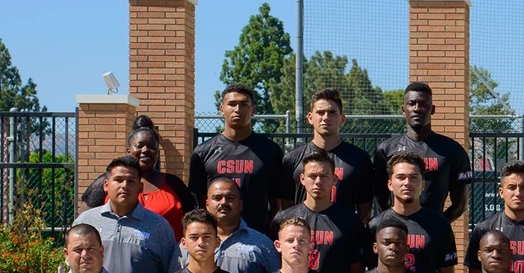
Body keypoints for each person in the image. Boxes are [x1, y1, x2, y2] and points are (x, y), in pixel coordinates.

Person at [79, 116, 197, 239]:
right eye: (139, 146)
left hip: (166, 255)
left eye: (151, 146)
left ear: (157, 151)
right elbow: (84, 219)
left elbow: (193, 220)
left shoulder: (174, 184)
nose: (145, 150)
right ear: (128, 150)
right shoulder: (107, 182)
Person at [189, 83, 284, 235]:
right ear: (222, 109)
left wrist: (266, 234)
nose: (237, 110)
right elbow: (200, 203)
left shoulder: (270, 151)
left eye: (244, 104)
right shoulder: (203, 152)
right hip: (216, 239)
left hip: (257, 236)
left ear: (253, 110)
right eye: (232, 104)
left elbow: (277, 205)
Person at [372, 82, 473, 221]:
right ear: (403, 109)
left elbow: (460, 204)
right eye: (412, 103)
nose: (417, 109)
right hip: (397, 233)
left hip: (434, 235)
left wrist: (437, 226)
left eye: (423, 104)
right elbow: (380, 197)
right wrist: (393, 223)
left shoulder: (453, 150)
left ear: (432, 109)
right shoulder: (385, 150)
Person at [282, 88, 376, 223]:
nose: (326, 117)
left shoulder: (359, 158)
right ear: (310, 117)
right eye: (320, 112)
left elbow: (365, 207)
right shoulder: (291, 158)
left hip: (343, 238)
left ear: (342, 118)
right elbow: (285, 204)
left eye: (332, 113)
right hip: (302, 238)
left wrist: (350, 234)